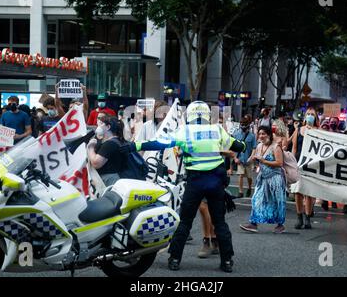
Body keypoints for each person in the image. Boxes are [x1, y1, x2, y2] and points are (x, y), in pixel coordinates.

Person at [122, 101, 246, 273]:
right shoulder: (216, 129)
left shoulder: (184, 131)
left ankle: (174, 259)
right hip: (216, 182)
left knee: (185, 221)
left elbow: (159, 143)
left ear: (190, 114)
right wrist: (242, 145)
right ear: (207, 114)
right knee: (219, 222)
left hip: (195, 182)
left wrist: (134, 146)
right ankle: (227, 261)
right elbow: (238, 145)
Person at [240, 126, 287, 234]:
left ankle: (280, 225)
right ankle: (253, 223)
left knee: (277, 201)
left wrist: (264, 161)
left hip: (275, 179)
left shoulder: (276, 147)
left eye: (264, 134)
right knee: (256, 199)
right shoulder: (259, 146)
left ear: (269, 135)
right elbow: (252, 159)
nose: (261, 136)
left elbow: (279, 163)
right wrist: (251, 159)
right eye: (260, 134)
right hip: (263, 178)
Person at [291, 107, 320, 229]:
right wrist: (292, 163)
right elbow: (294, 148)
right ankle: (299, 217)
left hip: (312, 165)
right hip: (299, 163)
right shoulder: (298, 130)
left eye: (312, 114)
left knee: (309, 192)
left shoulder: (319, 131)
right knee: (298, 192)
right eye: (308, 114)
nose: (310, 116)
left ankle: (308, 217)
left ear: (316, 117)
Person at [87, 116, 127, 187]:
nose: (99, 126)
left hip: (109, 180)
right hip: (115, 178)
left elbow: (96, 163)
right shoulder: (118, 141)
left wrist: (91, 148)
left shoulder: (110, 144)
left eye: (102, 124)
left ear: (108, 127)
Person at [232, 116, 256, 198]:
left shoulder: (252, 136)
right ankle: (240, 191)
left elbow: (254, 148)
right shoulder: (236, 134)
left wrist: (252, 157)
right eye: (241, 124)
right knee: (240, 175)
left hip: (249, 159)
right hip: (240, 159)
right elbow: (232, 147)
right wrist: (235, 158)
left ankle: (249, 188)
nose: (242, 126)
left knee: (249, 176)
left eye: (244, 124)